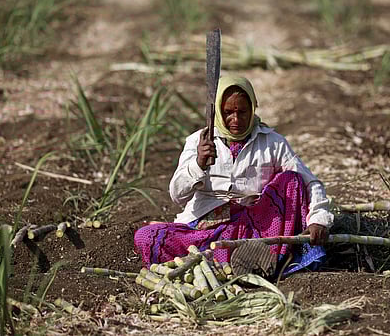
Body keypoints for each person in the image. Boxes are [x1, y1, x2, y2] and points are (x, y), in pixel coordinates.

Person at [134, 75, 334, 276]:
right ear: (218, 113)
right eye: (228, 113)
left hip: (258, 227)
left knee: (292, 179)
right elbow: (177, 196)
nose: (236, 120)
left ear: (253, 109)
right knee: (146, 236)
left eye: (242, 112)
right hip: (207, 230)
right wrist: (198, 164)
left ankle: (262, 256)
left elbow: (310, 183)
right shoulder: (199, 141)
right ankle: (232, 259)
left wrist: (318, 218)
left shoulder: (273, 142)